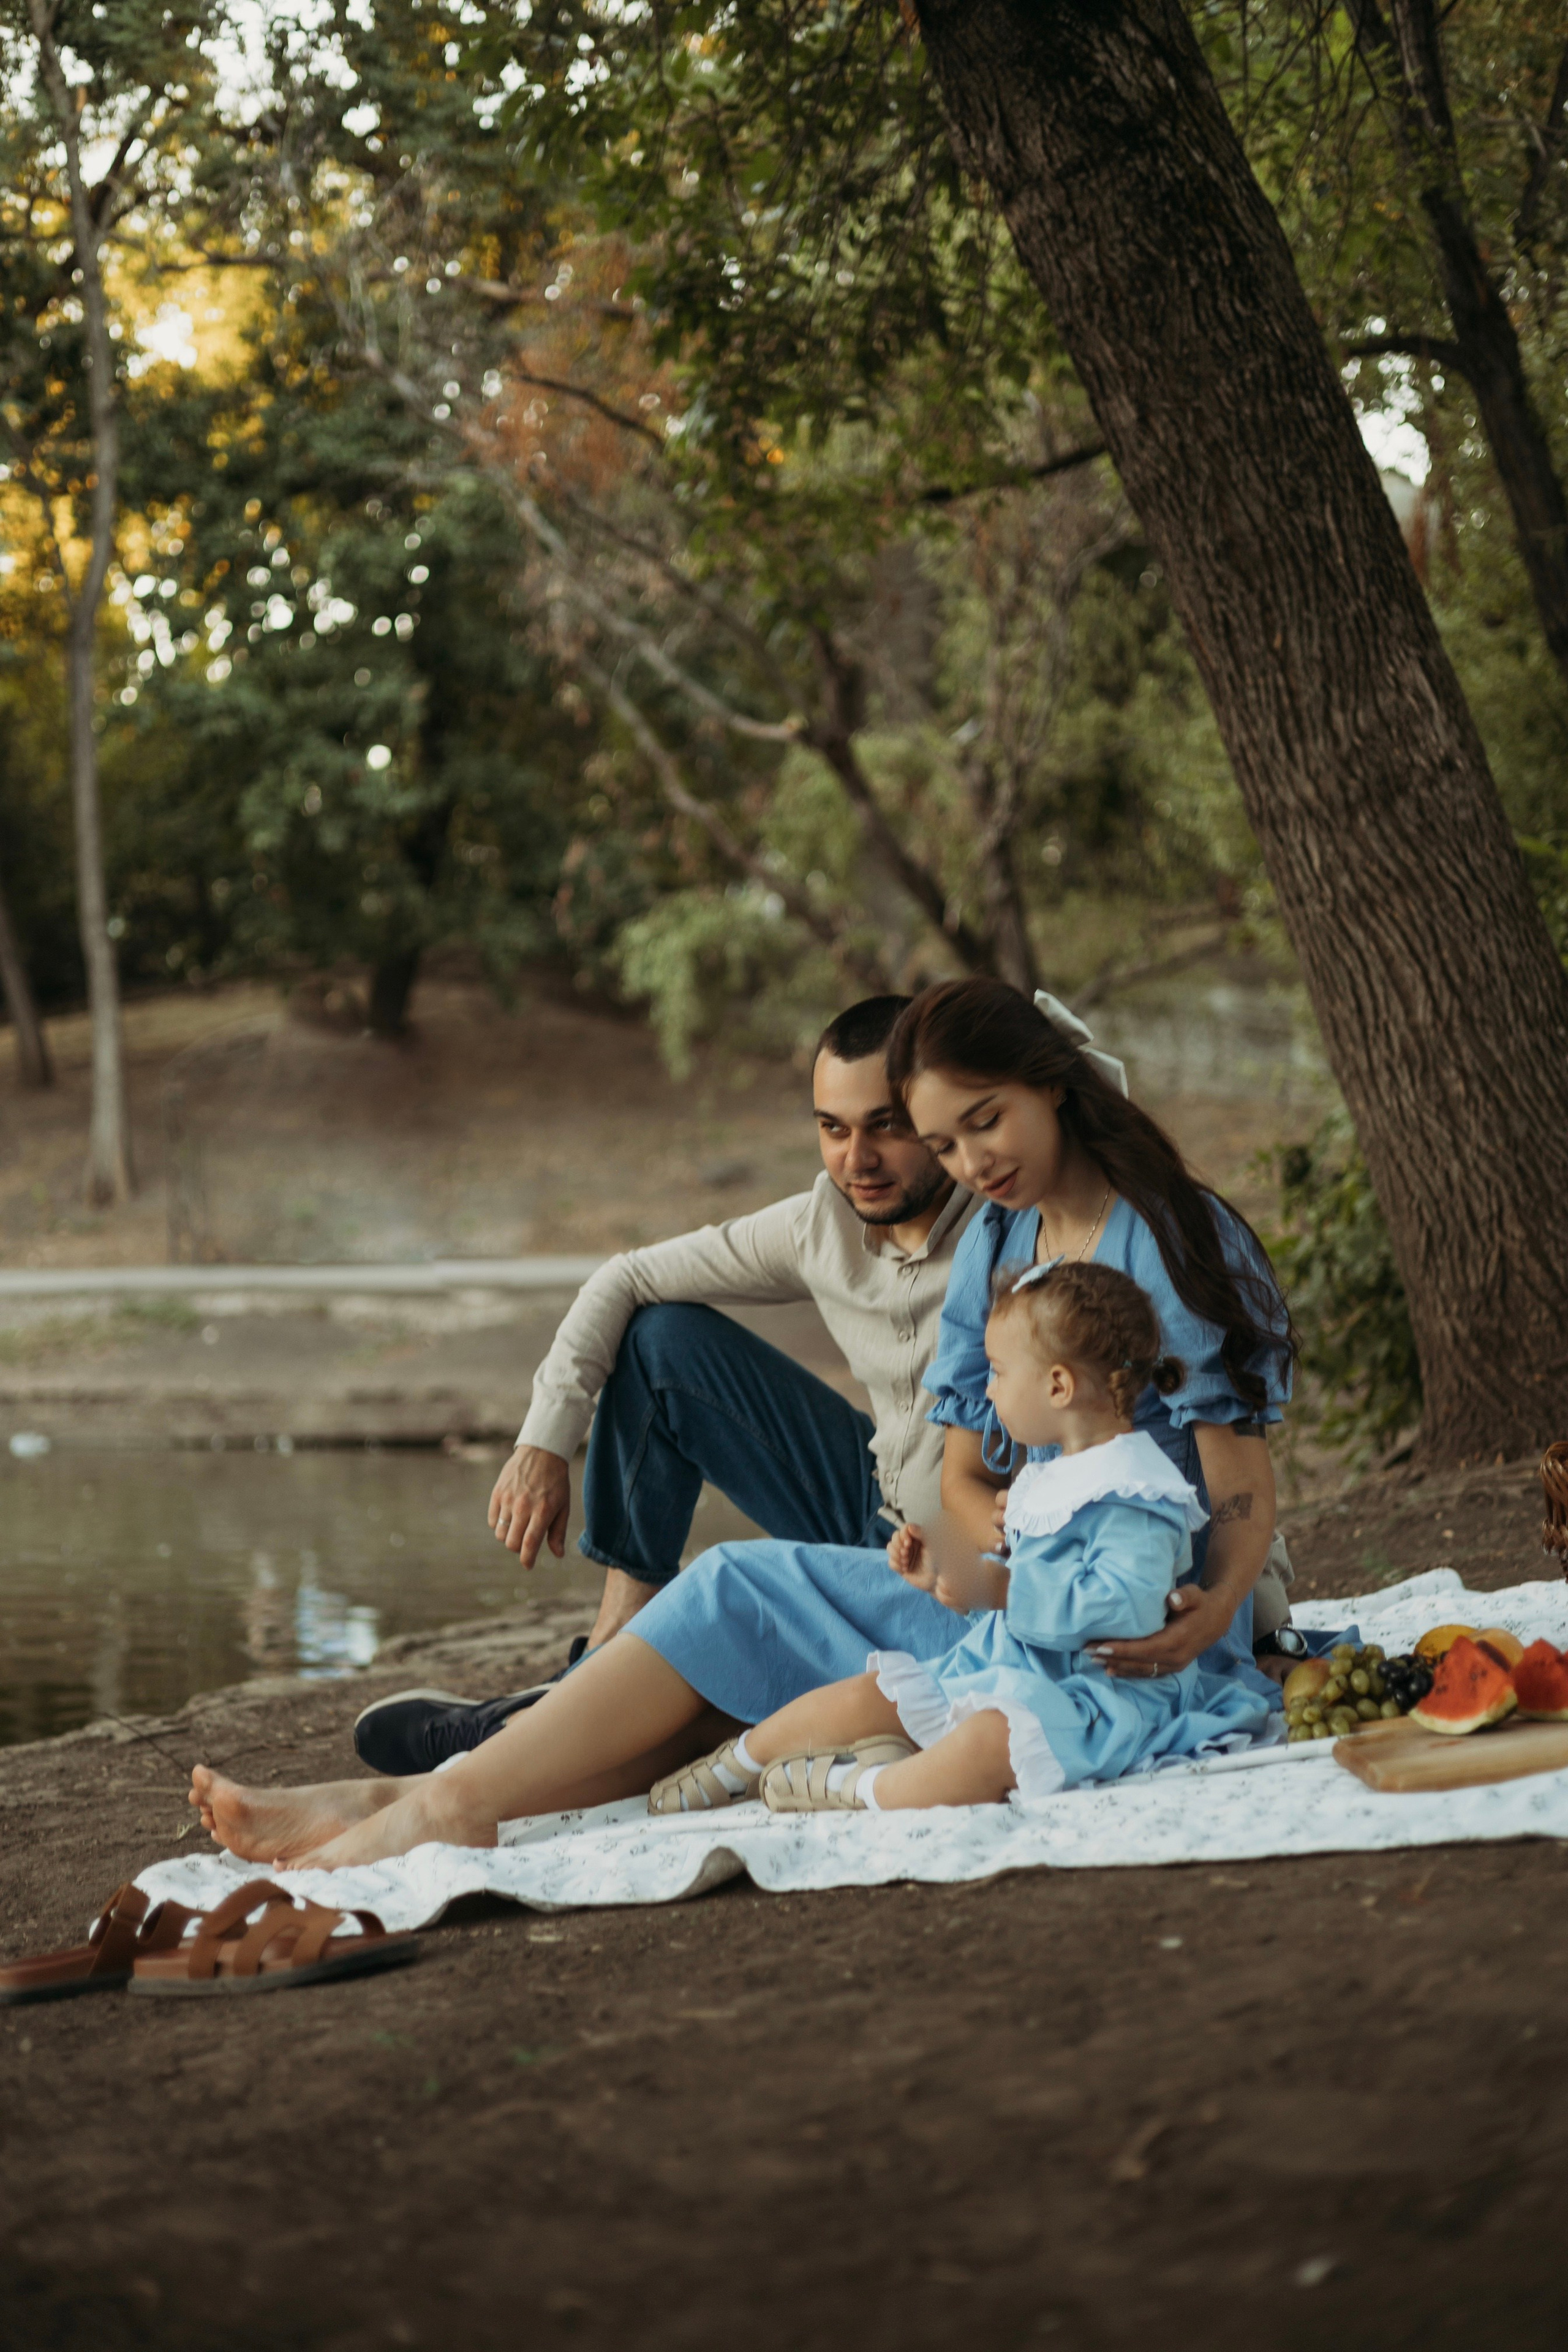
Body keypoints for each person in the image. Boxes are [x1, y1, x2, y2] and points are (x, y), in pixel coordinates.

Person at [189, 979, 1296, 1870]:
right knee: (731, 1590)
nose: (973, 1164)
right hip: (1001, 1596)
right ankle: (424, 1803)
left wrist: (1205, 1624)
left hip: (1132, 1622)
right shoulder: (1003, 1251)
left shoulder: (1169, 1239)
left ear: (1053, 1086)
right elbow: (963, 1469)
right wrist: (964, 1550)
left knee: (737, 1663)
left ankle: (436, 1806)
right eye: (949, 1144)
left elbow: (1238, 1483)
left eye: (984, 1125)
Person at [352, 993, 981, 1772]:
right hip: (867, 1501)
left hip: (954, 1564)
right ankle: (606, 1658)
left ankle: (552, 1723)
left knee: (723, 1633)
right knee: (661, 1340)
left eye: (885, 1124)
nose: (856, 1159)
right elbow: (625, 1277)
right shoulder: (823, 1224)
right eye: (832, 1128)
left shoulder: (1012, 1221)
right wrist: (544, 1439)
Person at [654, 1260, 1273, 1817]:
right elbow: (1014, 1571)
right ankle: (740, 1761)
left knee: (990, 1743)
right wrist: (948, 1574)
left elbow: (1125, 1606)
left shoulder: (1135, 1492)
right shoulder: (1049, 1474)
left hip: (1097, 1696)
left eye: (1000, 1373)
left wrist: (1003, 1589)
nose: (989, 1390)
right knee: (873, 1692)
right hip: (1012, 1667)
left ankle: (861, 1789)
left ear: (1058, 1387)